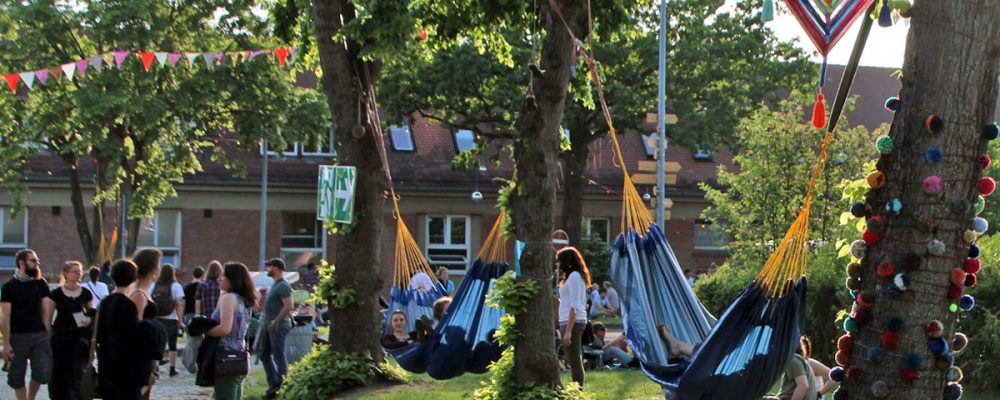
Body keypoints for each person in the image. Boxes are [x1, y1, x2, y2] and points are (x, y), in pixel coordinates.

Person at [1, 249, 52, 400]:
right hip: (18, 336)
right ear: (22, 263)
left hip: (39, 335)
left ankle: (31, 398)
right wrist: (6, 343)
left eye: (37, 261)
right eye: (33, 261)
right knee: (16, 376)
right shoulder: (9, 287)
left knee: (41, 372)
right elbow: (5, 316)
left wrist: (47, 333)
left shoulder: (41, 284)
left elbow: (46, 311)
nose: (37, 264)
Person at [205, 262, 257, 400]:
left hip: (225, 358)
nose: (219, 279)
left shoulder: (229, 298)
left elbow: (224, 329)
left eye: (224, 276)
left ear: (233, 280)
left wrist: (204, 329)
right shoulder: (243, 300)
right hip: (239, 357)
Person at [45, 261, 94, 400]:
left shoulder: (85, 293)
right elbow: (48, 319)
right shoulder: (56, 294)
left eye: (80, 271)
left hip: (80, 340)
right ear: (66, 273)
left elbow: (91, 313)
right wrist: (47, 341)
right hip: (61, 338)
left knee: (78, 374)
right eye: (75, 271)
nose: (78, 274)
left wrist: (89, 320)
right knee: (60, 374)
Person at [96, 259, 144, 400]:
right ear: (133, 278)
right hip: (124, 367)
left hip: (106, 363)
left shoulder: (104, 302)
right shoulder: (128, 305)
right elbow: (133, 336)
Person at [131, 248, 164, 400]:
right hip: (141, 357)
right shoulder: (138, 293)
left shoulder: (144, 290)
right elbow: (136, 329)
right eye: (159, 263)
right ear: (152, 267)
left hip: (147, 354)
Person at [259, 258, 294, 399]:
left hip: (279, 325)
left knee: (278, 354)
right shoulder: (274, 285)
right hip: (269, 325)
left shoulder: (283, 286)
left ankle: (281, 385)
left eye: (269, 266)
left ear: (277, 268)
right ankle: (273, 383)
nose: (267, 269)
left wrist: (276, 321)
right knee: (264, 354)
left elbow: (288, 306)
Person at [556, 246, 590, 388]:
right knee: (572, 358)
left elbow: (574, 305)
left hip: (573, 322)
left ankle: (577, 390)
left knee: (574, 359)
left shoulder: (575, 276)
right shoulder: (571, 277)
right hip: (567, 320)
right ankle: (575, 388)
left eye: (559, 261)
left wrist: (569, 331)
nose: (558, 265)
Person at [151, 263, 186, 377]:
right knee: (172, 344)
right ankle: (172, 368)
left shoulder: (154, 285)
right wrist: (180, 321)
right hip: (171, 318)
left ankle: (155, 369)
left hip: (157, 318)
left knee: (157, 344)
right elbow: (179, 304)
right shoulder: (176, 286)